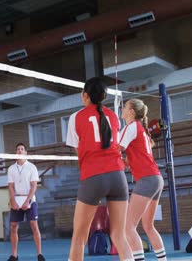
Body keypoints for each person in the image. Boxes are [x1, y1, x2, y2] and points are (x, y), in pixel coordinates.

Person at [66, 77, 133, 261]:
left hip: (93, 176)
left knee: (79, 239)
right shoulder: (113, 116)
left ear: (85, 95)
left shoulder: (76, 117)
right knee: (119, 236)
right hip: (118, 177)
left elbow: (78, 151)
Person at [119, 99, 166, 261]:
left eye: (125, 107)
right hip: (156, 179)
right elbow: (129, 160)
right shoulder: (141, 130)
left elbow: (116, 149)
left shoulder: (131, 127)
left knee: (128, 226)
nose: (122, 109)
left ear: (131, 112)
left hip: (147, 179)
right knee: (148, 226)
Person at [7, 143, 45, 261]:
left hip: (29, 199)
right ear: (16, 152)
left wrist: (27, 201)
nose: (19, 150)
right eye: (18, 149)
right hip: (16, 199)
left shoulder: (32, 167)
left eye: (22, 149)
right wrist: (13, 201)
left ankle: (39, 254)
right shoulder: (11, 168)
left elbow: (34, 186)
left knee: (34, 225)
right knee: (13, 226)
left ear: (25, 152)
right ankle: (14, 255)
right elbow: (11, 186)